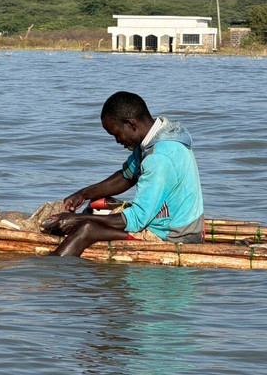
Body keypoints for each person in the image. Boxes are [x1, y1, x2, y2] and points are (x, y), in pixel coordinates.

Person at [46, 91, 204, 257]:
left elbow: (137, 219)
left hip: (174, 237)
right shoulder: (156, 139)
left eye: (116, 134)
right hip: (167, 222)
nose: (117, 141)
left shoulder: (159, 157)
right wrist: (83, 194)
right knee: (96, 206)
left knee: (87, 228)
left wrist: (76, 220)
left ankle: (50, 270)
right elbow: (126, 176)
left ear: (131, 125)